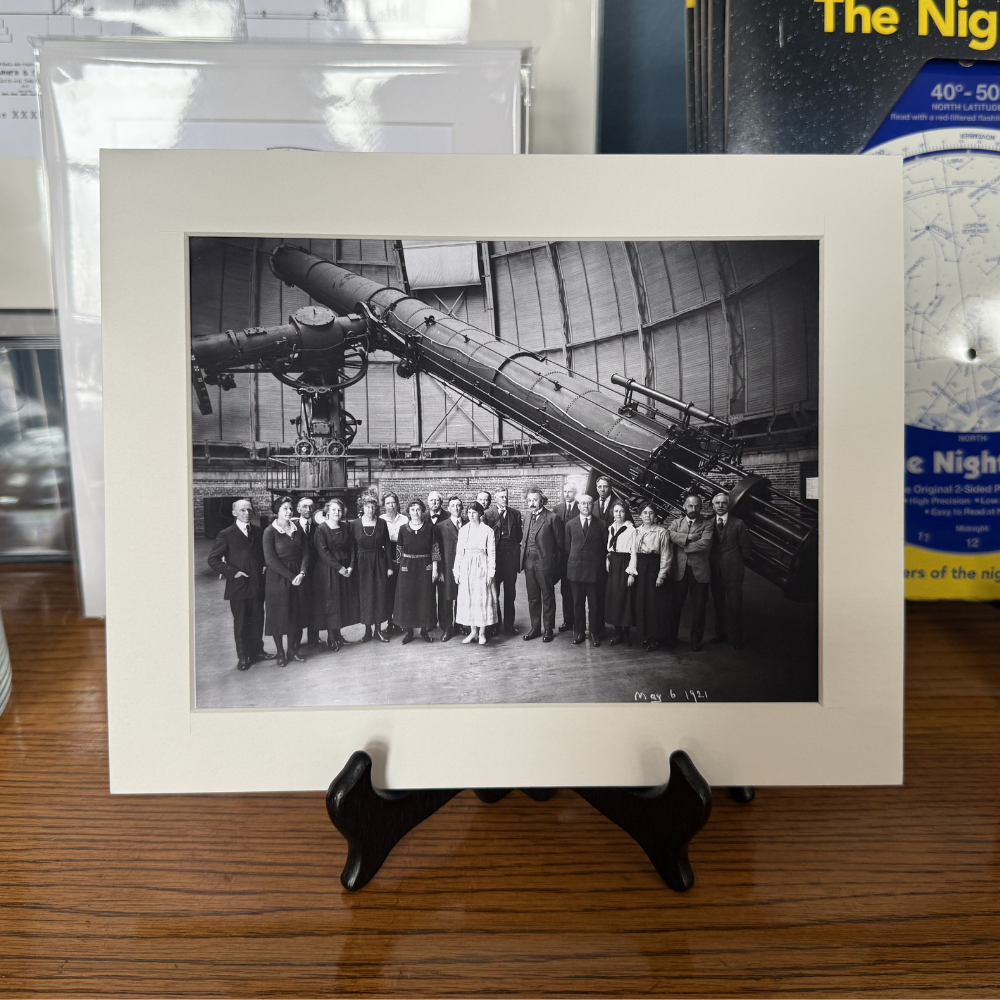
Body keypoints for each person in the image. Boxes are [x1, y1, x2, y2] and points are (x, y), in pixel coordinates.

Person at [207, 498, 272, 671]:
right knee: (242, 623)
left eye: (249, 510)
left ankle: (258, 651)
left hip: (257, 585)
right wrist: (232, 572)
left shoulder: (259, 532)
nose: (247, 513)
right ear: (234, 513)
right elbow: (212, 560)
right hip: (239, 586)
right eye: (242, 510)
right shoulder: (226, 534)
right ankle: (243, 656)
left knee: (258, 619)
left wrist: (265, 566)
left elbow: (264, 555)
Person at [262, 496, 310, 666]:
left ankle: (293, 650)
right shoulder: (269, 531)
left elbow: (306, 552)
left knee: (295, 615)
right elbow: (270, 560)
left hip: (299, 575)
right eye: (285, 509)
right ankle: (280, 653)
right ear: (277, 511)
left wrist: (303, 572)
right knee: (279, 616)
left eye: (290, 508)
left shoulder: (297, 528)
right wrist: (292, 577)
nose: (289, 511)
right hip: (278, 578)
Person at [667, 494, 714, 652]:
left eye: (696, 506)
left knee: (699, 608)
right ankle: (671, 638)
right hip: (678, 571)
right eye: (690, 506)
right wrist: (689, 537)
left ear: (701, 507)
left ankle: (695, 640)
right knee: (674, 607)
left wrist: (681, 543)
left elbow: (705, 545)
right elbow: (669, 535)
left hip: (699, 572)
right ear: (684, 506)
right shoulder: (676, 522)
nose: (693, 509)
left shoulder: (707, 524)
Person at [312, 498, 359, 651]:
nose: (337, 513)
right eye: (333, 510)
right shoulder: (321, 529)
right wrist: (339, 568)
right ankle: (331, 637)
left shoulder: (346, 527)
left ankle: (338, 635)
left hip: (345, 569)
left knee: (341, 602)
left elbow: (352, 548)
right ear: (327, 512)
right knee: (331, 603)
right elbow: (323, 553)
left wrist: (351, 566)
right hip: (328, 571)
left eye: (339, 510)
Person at [708, 491, 753, 650]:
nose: (720, 506)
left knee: (735, 605)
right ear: (712, 506)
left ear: (728, 505)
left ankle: (736, 637)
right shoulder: (708, 524)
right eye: (717, 503)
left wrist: (736, 562)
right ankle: (720, 634)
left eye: (723, 503)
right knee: (718, 604)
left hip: (733, 572)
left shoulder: (739, 524)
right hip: (715, 572)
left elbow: (746, 549)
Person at [394, 499, 439, 645]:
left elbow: (435, 549)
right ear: (408, 511)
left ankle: (424, 630)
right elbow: (399, 551)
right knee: (408, 599)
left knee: (425, 598)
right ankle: (409, 631)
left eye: (418, 509)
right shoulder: (402, 529)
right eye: (412, 510)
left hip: (425, 567)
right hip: (407, 568)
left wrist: (435, 569)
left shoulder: (430, 528)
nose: (416, 512)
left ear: (422, 511)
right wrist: (401, 568)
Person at [563, 494, 606, 647]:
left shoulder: (601, 524)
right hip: (576, 569)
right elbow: (568, 548)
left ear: (592, 506)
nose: (586, 506)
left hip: (594, 571)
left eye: (589, 503)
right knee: (577, 603)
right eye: (583, 503)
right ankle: (580, 631)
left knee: (594, 604)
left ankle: (594, 632)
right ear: (578, 506)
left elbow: (603, 548)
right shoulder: (570, 524)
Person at [520, 487, 562, 642]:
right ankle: (535, 628)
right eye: (529, 500)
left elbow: (559, 546)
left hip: (544, 563)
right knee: (533, 597)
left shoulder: (552, 518)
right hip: (528, 562)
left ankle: (548, 629)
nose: (532, 503)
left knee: (548, 596)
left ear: (542, 500)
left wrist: (552, 565)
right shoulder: (527, 516)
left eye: (535, 500)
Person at [453, 501, 498, 644]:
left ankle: (482, 633)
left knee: (482, 599)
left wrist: (491, 573)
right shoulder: (463, 530)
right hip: (467, 567)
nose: (471, 515)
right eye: (469, 512)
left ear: (480, 514)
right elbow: (459, 553)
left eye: (474, 512)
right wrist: (457, 572)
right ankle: (473, 632)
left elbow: (491, 553)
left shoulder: (488, 531)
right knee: (469, 598)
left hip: (482, 566)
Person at [352, 495, 394, 642]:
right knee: (366, 596)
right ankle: (367, 630)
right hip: (362, 563)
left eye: (372, 507)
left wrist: (389, 567)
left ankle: (378, 630)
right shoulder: (355, 524)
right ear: (362, 508)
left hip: (379, 561)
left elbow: (388, 546)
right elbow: (352, 547)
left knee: (379, 594)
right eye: (367, 507)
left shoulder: (382, 523)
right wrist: (352, 566)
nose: (370, 509)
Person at [633, 503, 672, 652]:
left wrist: (661, 575)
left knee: (654, 604)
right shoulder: (636, 531)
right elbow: (633, 553)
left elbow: (666, 555)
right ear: (640, 515)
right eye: (645, 513)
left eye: (650, 513)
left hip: (654, 567)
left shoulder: (661, 532)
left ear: (655, 516)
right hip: (641, 567)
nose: (647, 516)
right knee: (642, 601)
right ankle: (646, 634)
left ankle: (656, 637)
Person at [605, 499, 638, 646]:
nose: (619, 514)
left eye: (622, 511)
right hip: (613, 565)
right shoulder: (611, 528)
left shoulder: (631, 530)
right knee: (615, 598)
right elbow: (610, 548)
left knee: (626, 598)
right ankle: (617, 632)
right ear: (613, 512)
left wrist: (631, 573)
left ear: (626, 513)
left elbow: (634, 553)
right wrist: (608, 559)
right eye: (616, 511)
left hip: (625, 564)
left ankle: (626, 633)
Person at [492, 487, 523, 635]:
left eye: (506, 496)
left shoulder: (515, 514)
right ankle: (496, 625)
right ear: (495, 498)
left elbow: (519, 536)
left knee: (510, 593)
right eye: (501, 497)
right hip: (496, 560)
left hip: (510, 559)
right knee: (495, 593)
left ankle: (509, 626)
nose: (504, 499)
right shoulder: (488, 514)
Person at [434, 496, 464, 641]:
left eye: (458, 505)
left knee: (462, 598)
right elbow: (437, 550)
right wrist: (439, 570)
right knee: (446, 599)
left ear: (462, 507)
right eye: (453, 506)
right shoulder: (441, 526)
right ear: (449, 508)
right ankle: (447, 628)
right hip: (447, 568)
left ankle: (460, 625)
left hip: (464, 568)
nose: (456, 508)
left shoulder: (468, 524)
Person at [294, 496, 320, 651]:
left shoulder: (319, 526)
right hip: (298, 572)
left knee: (315, 605)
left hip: (316, 572)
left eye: (311, 507)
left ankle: (314, 638)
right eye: (304, 507)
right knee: (298, 606)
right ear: (298, 509)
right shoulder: (292, 526)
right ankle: (296, 640)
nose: (308, 510)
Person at [552, 482, 579, 633]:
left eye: (570, 491)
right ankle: (568, 621)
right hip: (562, 557)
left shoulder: (581, 507)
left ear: (575, 493)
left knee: (577, 590)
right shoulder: (557, 509)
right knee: (565, 590)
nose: (567, 494)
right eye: (565, 491)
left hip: (576, 555)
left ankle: (578, 622)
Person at [380, 492, 408, 636]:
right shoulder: (380, 520)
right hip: (386, 558)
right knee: (388, 592)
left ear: (397, 504)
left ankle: (400, 622)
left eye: (393, 502)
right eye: (388, 503)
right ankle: (390, 623)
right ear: (383, 505)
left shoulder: (404, 519)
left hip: (402, 557)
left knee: (400, 591)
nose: (391, 506)